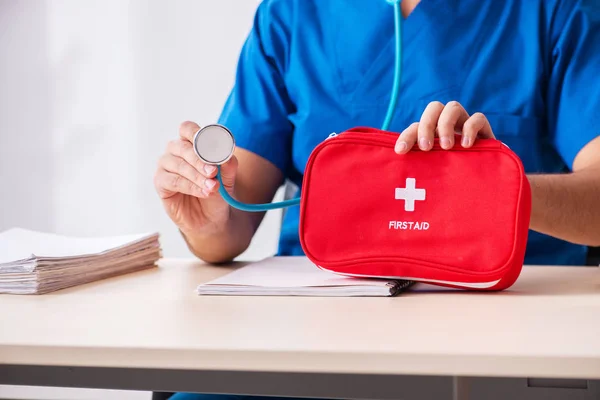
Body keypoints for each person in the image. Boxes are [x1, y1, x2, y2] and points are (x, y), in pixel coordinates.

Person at [154, 0, 600, 399]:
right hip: (307, 336)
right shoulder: (292, 13)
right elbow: (231, 222)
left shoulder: (555, 10)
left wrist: (493, 185)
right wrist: (208, 219)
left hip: (502, 339)